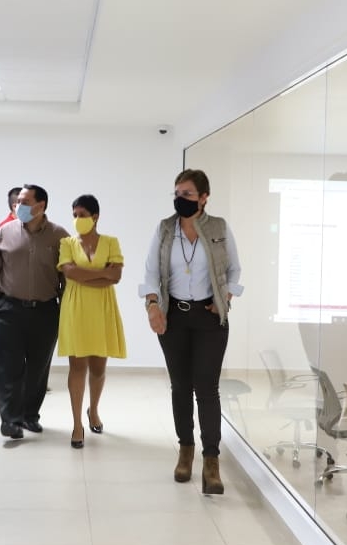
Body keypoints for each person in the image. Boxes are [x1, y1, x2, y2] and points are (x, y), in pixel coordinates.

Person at [140, 169, 243, 494]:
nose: (179, 199)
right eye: (177, 193)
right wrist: (152, 305)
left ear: (204, 197)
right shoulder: (165, 229)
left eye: (186, 194)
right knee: (180, 387)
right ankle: (185, 450)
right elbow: (151, 271)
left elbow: (234, 269)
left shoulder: (219, 228)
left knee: (207, 388)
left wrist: (225, 298)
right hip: (174, 318)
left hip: (209, 318)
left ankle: (211, 460)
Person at [0, 184, 69, 439]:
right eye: (17, 201)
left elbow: (67, 277)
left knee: (38, 369)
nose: (18, 206)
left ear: (41, 206)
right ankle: (9, 420)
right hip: (8, 310)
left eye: (24, 202)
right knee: (9, 367)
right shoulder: (5, 231)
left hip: (45, 311)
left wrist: (64, 310)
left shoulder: (59, 236)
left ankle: (30, 416)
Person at [58, 194, 125, 448]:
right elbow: (69, 272)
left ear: (95, 216)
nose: (77, 219)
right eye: (74, 215)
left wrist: (84, 275)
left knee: (98, 368)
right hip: (75, 307)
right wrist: (102, 273)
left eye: (82, 215)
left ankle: (93, 410)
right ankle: (77, 424)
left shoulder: (110, 242)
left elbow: (116, 276)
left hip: (103, 308)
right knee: (77, 367)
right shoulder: (67, 243)